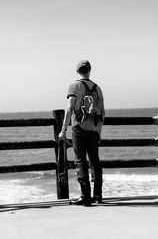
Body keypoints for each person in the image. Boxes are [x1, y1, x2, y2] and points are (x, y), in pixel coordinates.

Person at [59, 60, 105, 206]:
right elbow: (102, 113)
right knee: (95, 160)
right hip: (93, 128)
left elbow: (69, 108)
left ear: (77, 71)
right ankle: (98, 195)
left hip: (78, 127)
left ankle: (85, 196)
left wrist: (63, 129)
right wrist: (99, 131)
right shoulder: (97, 88)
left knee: (80, 161)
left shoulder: (74, 86)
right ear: (89, 70)